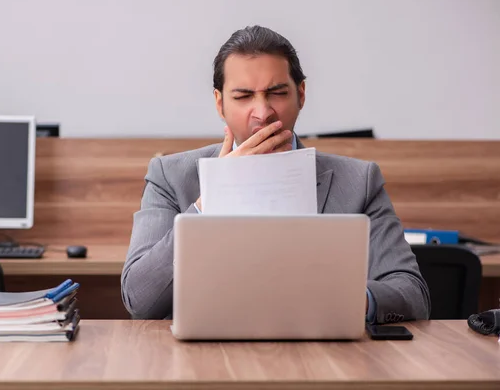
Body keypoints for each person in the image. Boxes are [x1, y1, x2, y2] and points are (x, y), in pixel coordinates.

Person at [121, 25, 431, 323]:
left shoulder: (360, 181)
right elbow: (140, 299)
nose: (263, 112)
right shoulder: (170, 175)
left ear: (301, 95)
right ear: (220, 104)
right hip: (204, 360)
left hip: (325, 359)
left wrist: (342, 298)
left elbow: (412, 295)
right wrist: (218, 194)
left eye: (277, 93)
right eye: (243, 97)